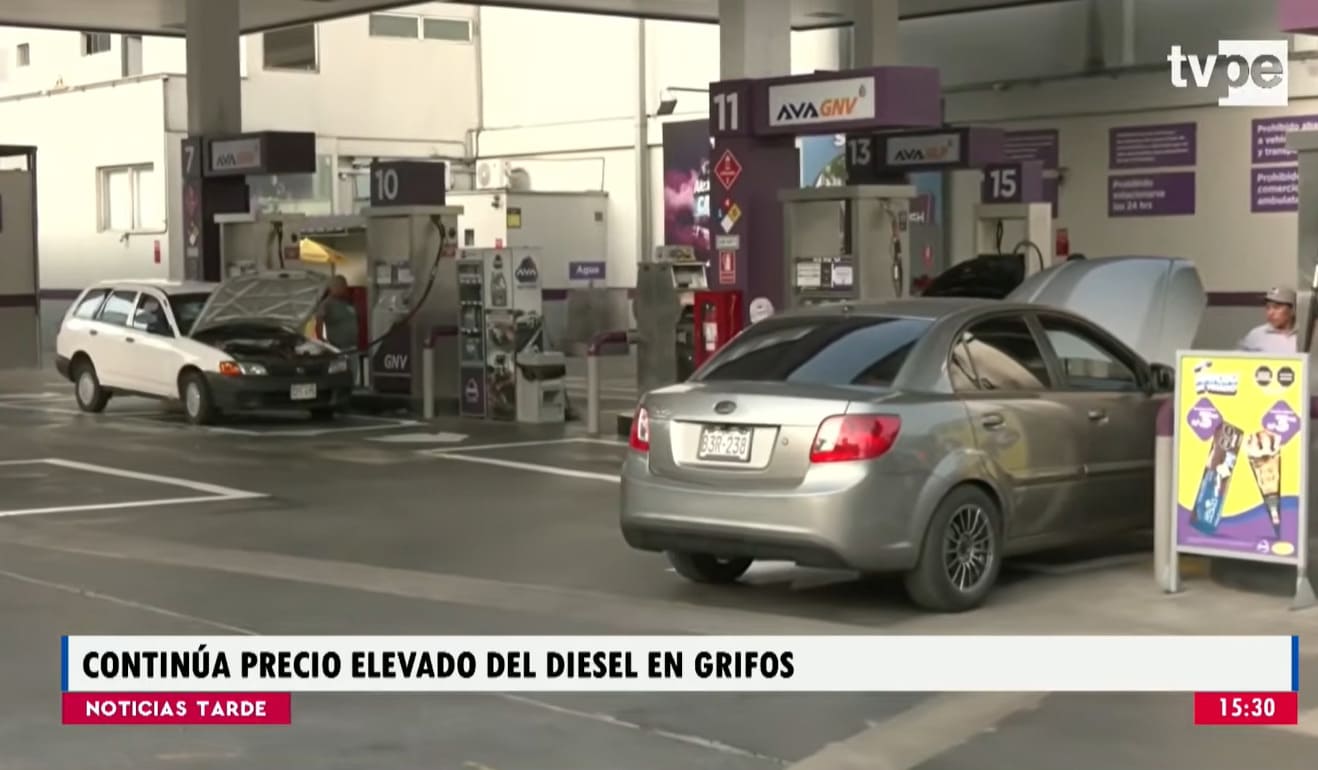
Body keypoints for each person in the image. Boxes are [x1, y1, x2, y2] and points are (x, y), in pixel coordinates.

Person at [318, 276, 360, 381]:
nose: (345, 288)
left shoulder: (347, 302)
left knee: (353, 376)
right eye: (342, 285)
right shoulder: (326, 304)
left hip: (352, 348)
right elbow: (319, 322)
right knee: (340, 378)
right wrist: (322, 340)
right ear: (333, 287)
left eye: (345, 285)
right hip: (338, 350)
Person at [1237, 287, 1298, 353]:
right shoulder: (1255, 335)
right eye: (1268, 307)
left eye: (1276, 307)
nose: (1270, 313)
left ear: (1292, 310)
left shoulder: (1302, 337)